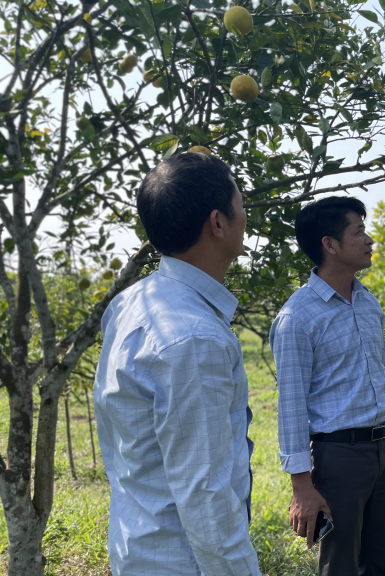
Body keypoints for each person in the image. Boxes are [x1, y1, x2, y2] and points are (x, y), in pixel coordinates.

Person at [94, 152, 260, 575]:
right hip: (183, 562)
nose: (246, 213)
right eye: (240, 202)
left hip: (139, 546)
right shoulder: (193, 338)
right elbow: (206, 496)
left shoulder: (130, 302)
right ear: (217, 222)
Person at [270, 196, 385, 576]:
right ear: (329, 244)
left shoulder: (368, 302)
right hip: (339, 457)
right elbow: (291, 408)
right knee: (342, 565)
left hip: (383, 449)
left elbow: (383, 374)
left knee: (382, 560)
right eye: (359, 232)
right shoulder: (297, 317)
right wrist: (302, 486)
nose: (369, 240)